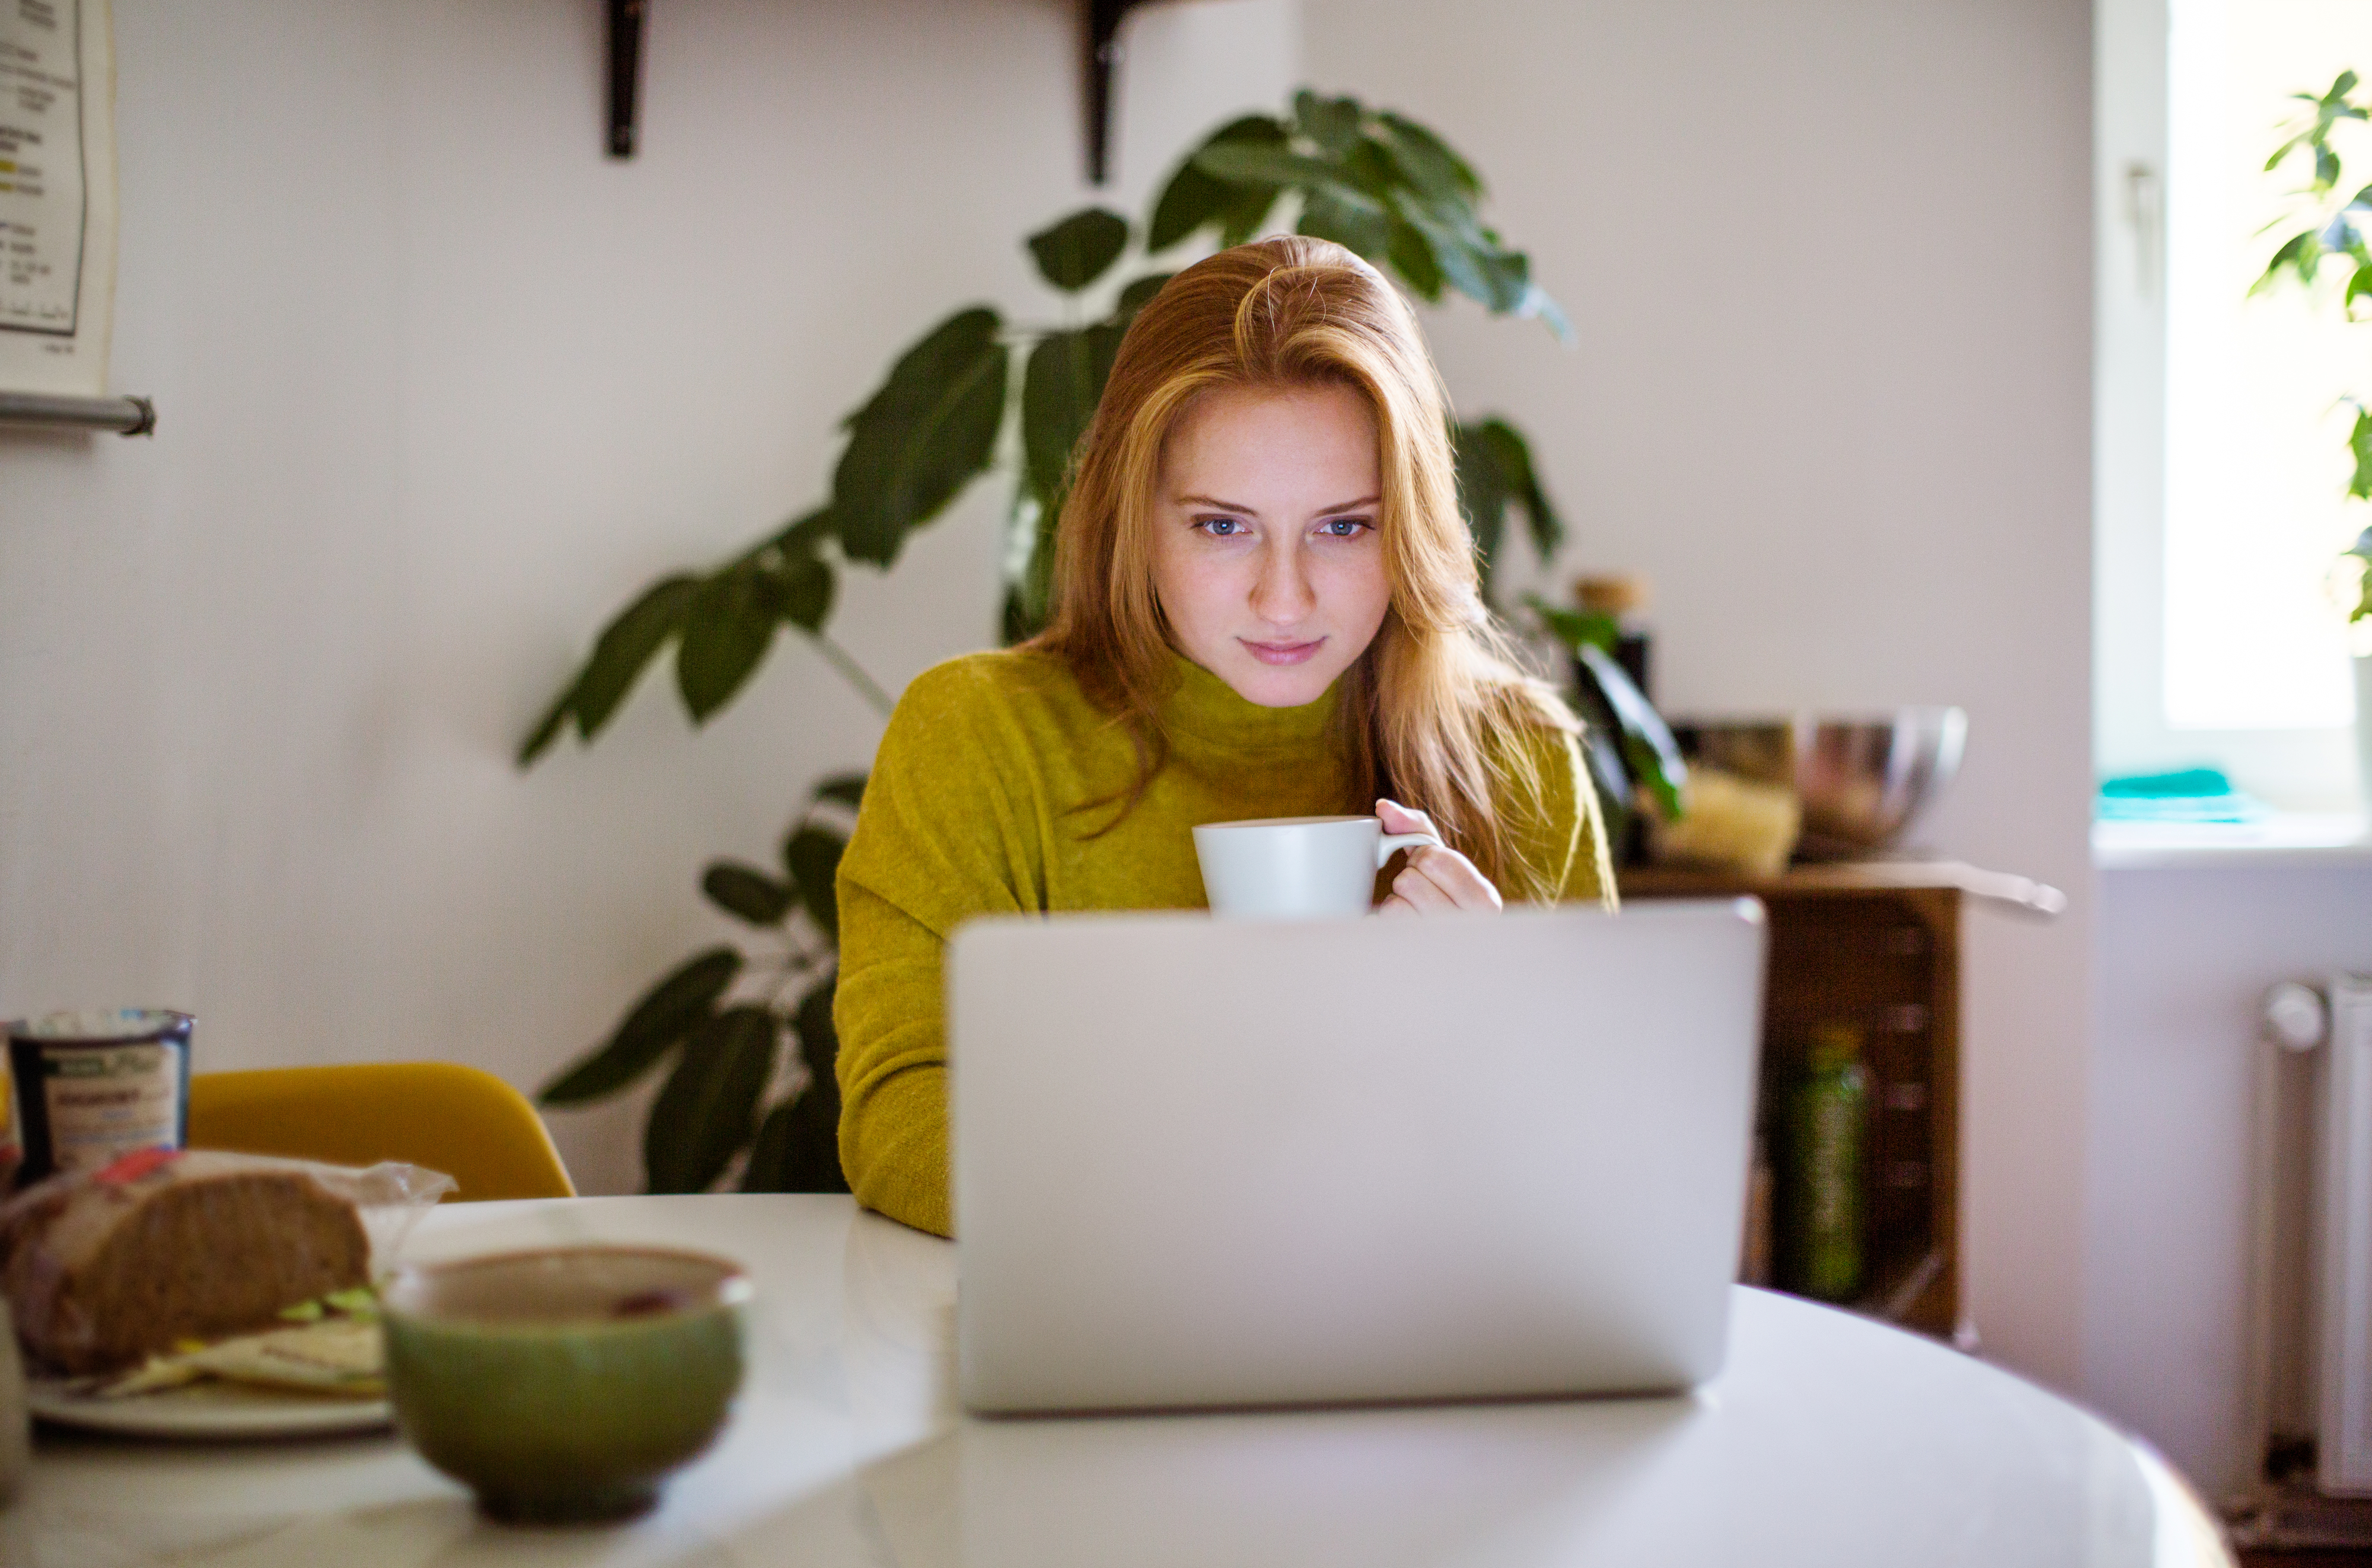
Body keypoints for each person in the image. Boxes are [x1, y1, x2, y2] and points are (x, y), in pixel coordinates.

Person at [833, 235, 1614, 1237]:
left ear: (1411, 526)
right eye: (1221, 526)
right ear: (1134, 519)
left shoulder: (1520, 759)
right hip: (1096, 1346)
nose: (1282, 597)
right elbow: (900, 1120)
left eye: (1344, 527)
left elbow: (1597, 1171)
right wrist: (1222, 1188)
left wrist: (1485, 1038)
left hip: (1428, 1356)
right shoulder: (978, 738)